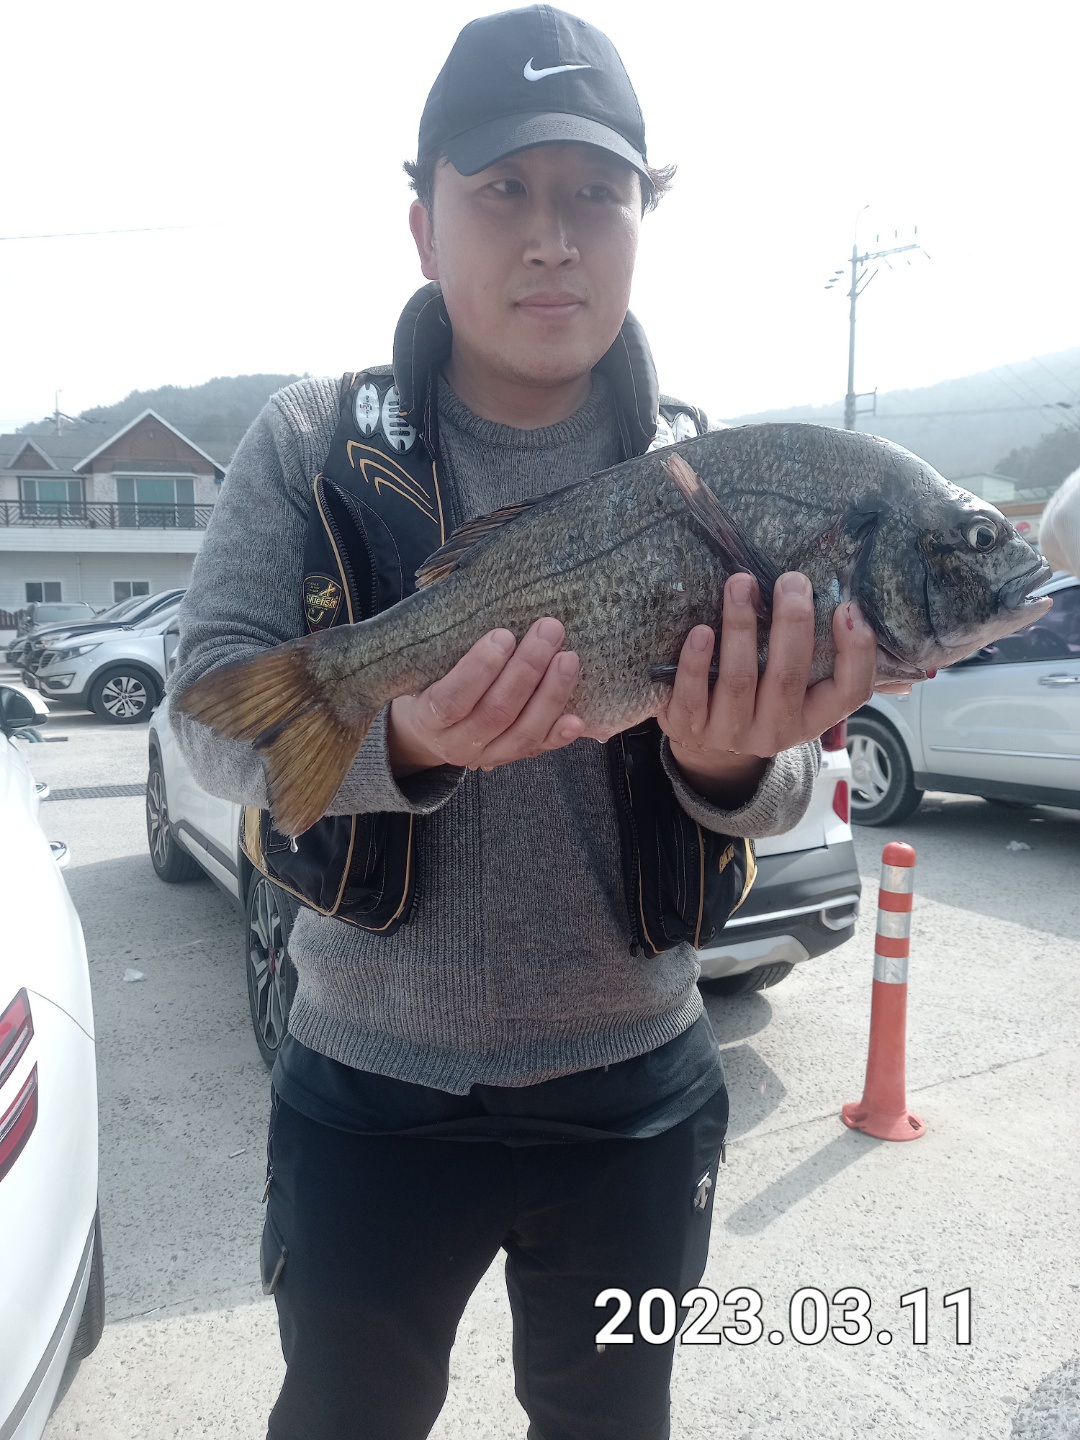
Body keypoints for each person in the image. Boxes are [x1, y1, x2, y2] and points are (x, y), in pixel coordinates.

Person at [169, 8, 880, 1438]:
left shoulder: (716, 473)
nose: (554, 238)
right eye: (504, 189)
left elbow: (789, 786)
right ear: (424, 226)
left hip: (638, 1097)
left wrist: (732, 758)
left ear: (639, 224)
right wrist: (406, 742)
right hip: (368, 1089)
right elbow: (208, 719)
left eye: (597, 193)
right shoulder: (309, 444)